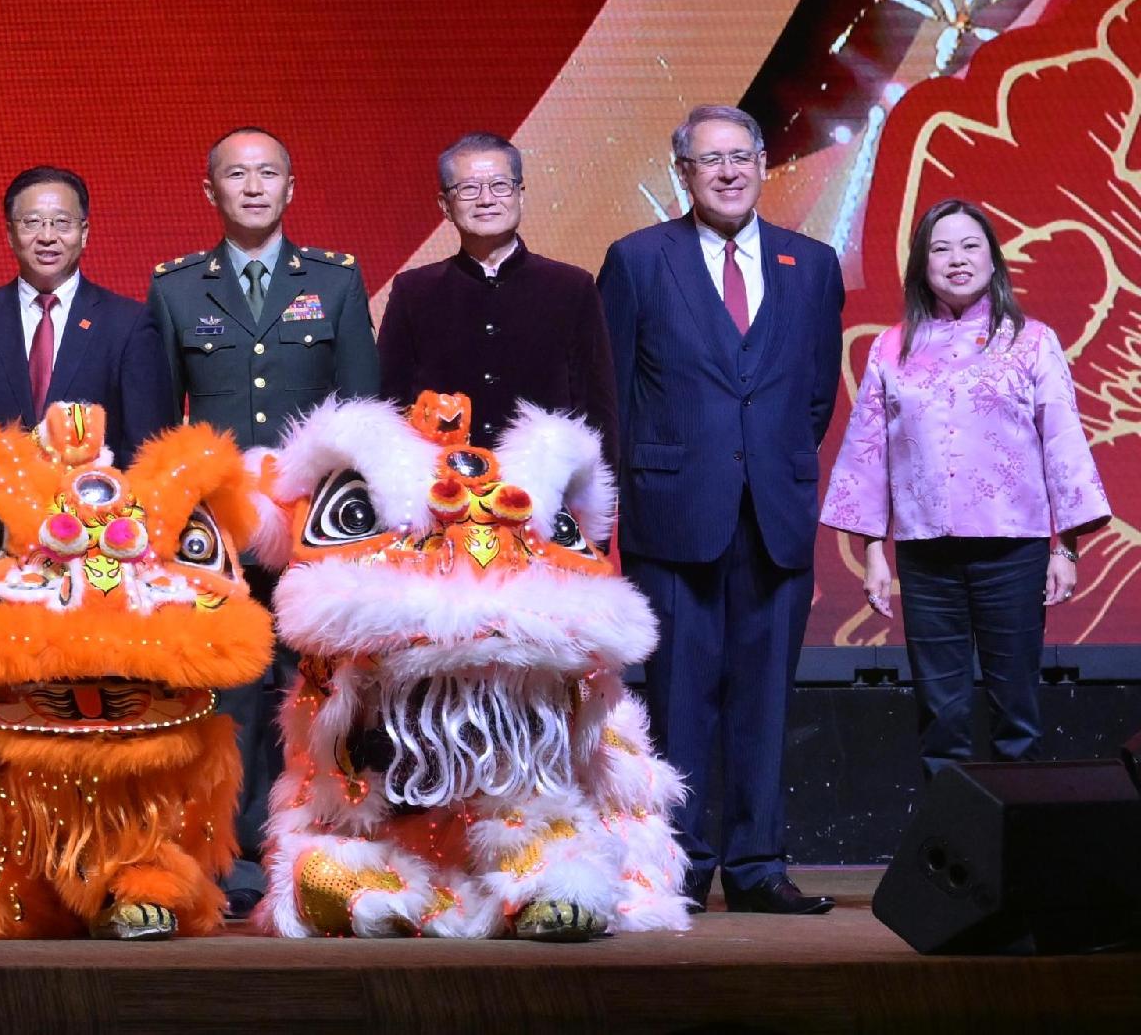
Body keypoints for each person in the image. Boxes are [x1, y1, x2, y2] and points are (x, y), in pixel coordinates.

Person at [598, 104, 845, 915]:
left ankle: (758, 864)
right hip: (673, 514)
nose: (729, 171)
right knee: (678, 699)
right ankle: (678, 863)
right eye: (711, 159)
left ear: (764, 162)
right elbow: (614, 393)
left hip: (775, 514)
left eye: (742, 155)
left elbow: (815, 394)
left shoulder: (812, 264)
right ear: (684, 173)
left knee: (765, 700)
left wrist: (766, 462)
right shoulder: (638, 259)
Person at [146, 124, 375, 910]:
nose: (252, 186)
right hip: (220, 535)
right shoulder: (177, 288)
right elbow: (160, 428)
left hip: (316, 532)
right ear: (210, 190)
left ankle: (319, 846)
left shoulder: (336, 281)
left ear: (290, 186)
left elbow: (362, 417)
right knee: (232, 695)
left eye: (267, 173)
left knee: (319, 689)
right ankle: (237, 856)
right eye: (236, 174)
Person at [820, 198, 1109, 779]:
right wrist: (874, 552)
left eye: (970, 246)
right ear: (921, 264)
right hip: (926, 557)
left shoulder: (1031, 341)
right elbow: (868, 452)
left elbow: (1063, 442)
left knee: (1016, 714)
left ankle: (1021, 834)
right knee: (941, 717)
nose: (957, 259)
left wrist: (1067, 547)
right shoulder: (891, 348)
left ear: (993, 259)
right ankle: (948, 835)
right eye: (941, 248)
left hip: (1013, 552)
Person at [375, 132, 615, 442]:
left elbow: (597, 406)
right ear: (445, 205)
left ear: (520, 195)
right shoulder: (414, 291)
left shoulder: (572, 287)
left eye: (500, 186)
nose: (486, 200)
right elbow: (389, 402)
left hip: (546, 470)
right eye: (468, 189)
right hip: (441, 469)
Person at [0, 166, 174, 440]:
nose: (47, 237)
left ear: (84, 232)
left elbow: (145, 445)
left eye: (62, 222)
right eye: (32, 222)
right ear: (9, 233)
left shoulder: (128, 325)